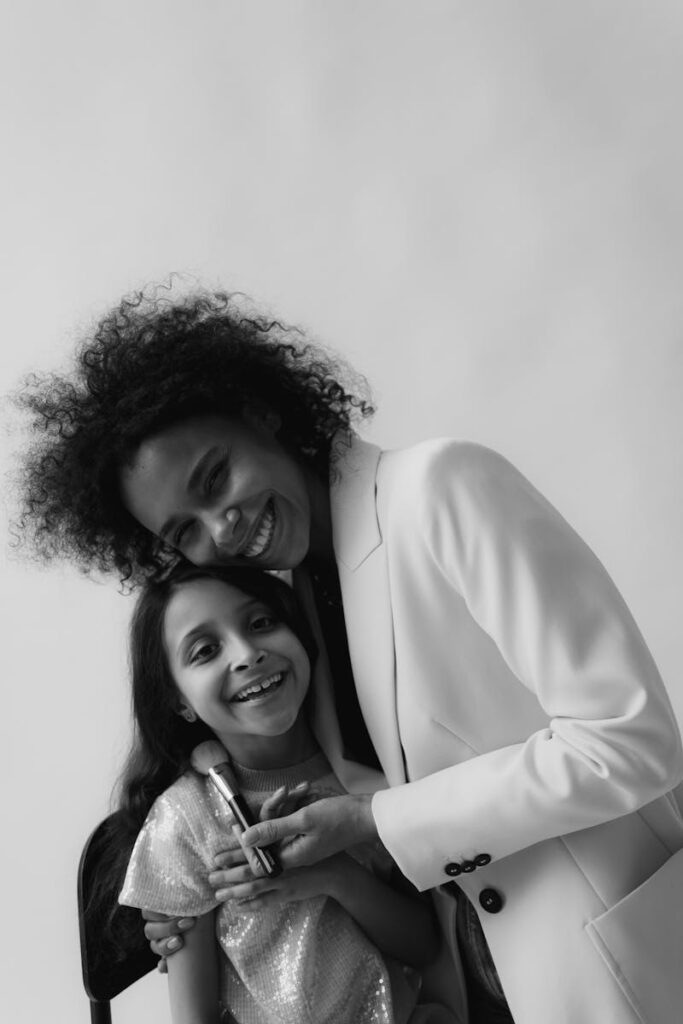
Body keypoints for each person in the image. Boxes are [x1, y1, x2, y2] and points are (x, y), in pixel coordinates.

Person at [15, 286, 683, 1024]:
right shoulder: (300, 601)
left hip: (602, 954)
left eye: (214, 478)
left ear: (258, 412)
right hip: (473, 987)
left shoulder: (439, 488)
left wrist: (375, 820)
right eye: (186, 530)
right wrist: (195, 914)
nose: (224, 526)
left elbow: (631, 741)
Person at [114, 561, 449, 1024]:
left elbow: (425, 945)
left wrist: (335, 876)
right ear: (178, 701)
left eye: (261, 623)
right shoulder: (185, 819)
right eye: (206, 649)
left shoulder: (365, 768)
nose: (247, 653)